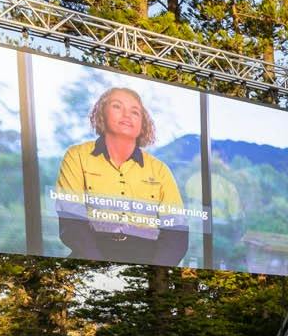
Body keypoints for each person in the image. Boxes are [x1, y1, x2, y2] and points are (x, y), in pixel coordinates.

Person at [51, 85, 192, 266]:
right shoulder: (77, 156)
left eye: (135, 112)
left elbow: (176, 232)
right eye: (117, 106)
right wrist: (100, 269)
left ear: (143, 124)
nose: (127, 115)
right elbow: (71, 220)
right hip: (90, 260)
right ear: (101, 113)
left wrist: (154, 275)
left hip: (147, 263)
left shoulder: (160, 170)